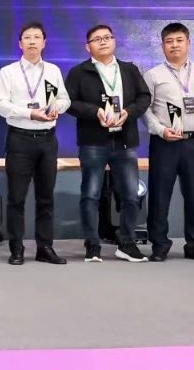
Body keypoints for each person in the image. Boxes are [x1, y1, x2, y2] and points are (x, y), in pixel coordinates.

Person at [65, 24, 152, 263]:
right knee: (91, 195)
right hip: (93, 142)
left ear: (114, 41)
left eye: (107, 37)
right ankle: (92, 245)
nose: (103, 41)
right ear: (88, 47)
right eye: (97, 39)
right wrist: (95, 112)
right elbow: (68, 102)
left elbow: (144, 97)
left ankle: (127, 243)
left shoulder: (129, 69)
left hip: (124, 141)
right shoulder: (79, 72)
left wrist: (129, 112)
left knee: (131, 195)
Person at [0, 21, 71, 265]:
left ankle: (45, 247)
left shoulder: (53, 71)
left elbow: (65, 99)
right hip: (20, 139)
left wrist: (56, 108)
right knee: (16, 198)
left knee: (46, 198)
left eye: (37, 37)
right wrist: (29, 113)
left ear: (44, 43)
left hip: (47, 140)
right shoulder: (8, 72)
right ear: (20, 43)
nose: (32, 41)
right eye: (27, 37)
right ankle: (16, 249)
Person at [142, 22, 194, 263]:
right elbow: (145, 109)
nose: (174, 45)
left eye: (179, 40)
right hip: (164, 143)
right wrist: (160, 130)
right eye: (169, 41)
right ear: (162, 46)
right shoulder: (153, 75)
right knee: (159, 195)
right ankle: (159, 245)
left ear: (188, 43)